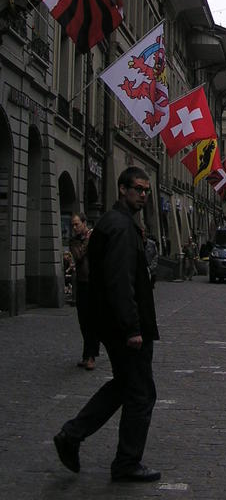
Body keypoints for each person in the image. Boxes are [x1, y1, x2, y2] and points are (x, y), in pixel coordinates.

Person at [54, 166, 160, 482]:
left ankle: (72, 434)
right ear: (122, 189)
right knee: (141, 393)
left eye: (146, 190)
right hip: (125, 327)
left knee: (123, 387)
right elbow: (119, 281)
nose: (142, 194)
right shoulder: (122, 228)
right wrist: (132, 328)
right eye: (137, 189)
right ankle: (126, 462)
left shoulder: (115, 224)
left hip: (113, 324)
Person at [69, 213, 100, 370]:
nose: (74, 228)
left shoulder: (95, 238)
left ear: (84, 223)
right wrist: (89, 238)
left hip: (94, 284)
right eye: (73, 225)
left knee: (91, 320)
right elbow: (79, 255)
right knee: (83, 321)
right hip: (81, 284)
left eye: (77, 224)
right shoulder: (74, 241)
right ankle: (87, 354)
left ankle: (91, 356)